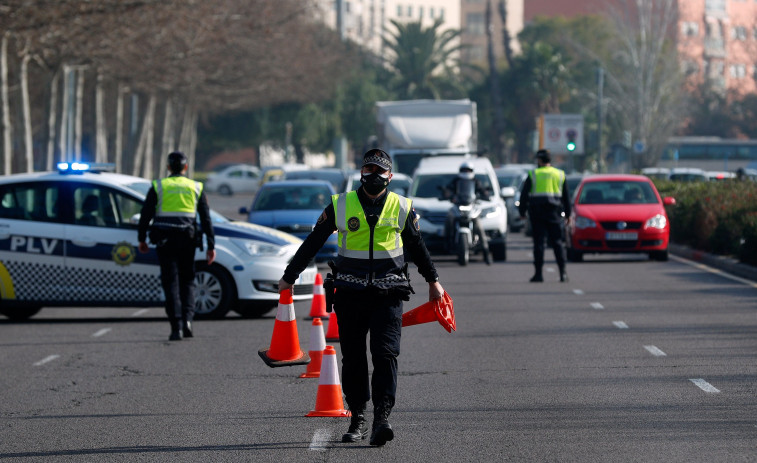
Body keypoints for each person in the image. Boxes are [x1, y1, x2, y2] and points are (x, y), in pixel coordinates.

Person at [278, 148, 444, 447]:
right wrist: (289, 277)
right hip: (350, 294)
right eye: (368, 171)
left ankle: (382, 418)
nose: (373, 176)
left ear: (389, 177)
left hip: (388, 294)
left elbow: (418, 248)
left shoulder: (401, 206)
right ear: (361, 174)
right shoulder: (340, 205)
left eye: (379, 172)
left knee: (385, 355)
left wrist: (433, 281)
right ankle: (358, 417)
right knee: (353, 358)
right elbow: (313, 241)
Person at [138, 151, 216, 341]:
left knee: (170, 283)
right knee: (187, 281)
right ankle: (188, 321)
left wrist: (142, 238)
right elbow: (206, 219)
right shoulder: (195, 187)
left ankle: (176, 327)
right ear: (186, 168)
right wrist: (210, 245)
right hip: (187, 241)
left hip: (165, 242)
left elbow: (145, 215)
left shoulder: (159, 186)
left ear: (168, 167)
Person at [518, 149, 571, 283]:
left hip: (537, 214)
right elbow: (566, 197)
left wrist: (522, 212)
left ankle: (538, 274)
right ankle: (563, 273)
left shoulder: (534, 174)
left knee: (539, 244)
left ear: (540, 160)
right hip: (555, 213)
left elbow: (524, 195)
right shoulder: (559, 174)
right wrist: (568, 215)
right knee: (557, 243)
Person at [442, 161, 492, 265]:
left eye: (468, 170)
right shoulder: (456, 181)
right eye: (464, 170)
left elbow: (483, 191)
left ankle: (486, 252)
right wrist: (449, 195)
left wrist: (485, 195)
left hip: (471, 206)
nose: (466, 172)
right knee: (449, 219)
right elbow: (448, 190)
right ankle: (446, 241)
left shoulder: (475, 181)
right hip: (458, 206)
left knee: (480, 228)